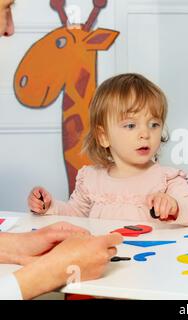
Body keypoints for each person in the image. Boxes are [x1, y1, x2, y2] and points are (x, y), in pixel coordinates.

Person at [0, 2, 123, 300]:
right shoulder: (90, 177)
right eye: (5, 8)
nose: (10, 28)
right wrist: (53, 271)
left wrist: (16, 244)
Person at [28, 73, 188, 226]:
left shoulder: (166, 179)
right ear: (103, 136)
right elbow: (75, 215)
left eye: (154, 124)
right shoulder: (91, 179)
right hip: (104, 261)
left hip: (152, 262)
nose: (145, 133)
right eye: (130, 126)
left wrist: (176, 206)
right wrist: (49, 207)